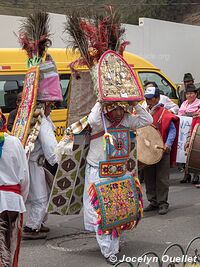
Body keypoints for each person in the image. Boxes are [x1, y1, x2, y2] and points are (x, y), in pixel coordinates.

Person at [83, 101, 153, 265]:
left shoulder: (127, 120)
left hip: (118, 173)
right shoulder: (100, 119)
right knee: (102, 213)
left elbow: (147, 120)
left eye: (122, 109)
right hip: (98, 172)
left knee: (117, 211)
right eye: (115, 109)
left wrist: (135, 104)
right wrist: (99, 101)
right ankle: (108, 250)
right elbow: (92, 121)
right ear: (107, 109)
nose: (119, 113)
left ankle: (112, 245)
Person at [23, 102, 58, 239]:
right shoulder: (41, 122)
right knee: (40, 197)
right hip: (34, 164)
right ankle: (31, 227)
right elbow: (50, 146)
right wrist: (57, 161)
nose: (52, 109)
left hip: (34, 164)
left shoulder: (36, 117)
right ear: (44, 107)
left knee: (44, 194)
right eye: (50, 106)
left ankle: (39, 222)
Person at [143, 86, 179, 215]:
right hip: (148, 150)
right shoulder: (144, 112)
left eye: (150, 98)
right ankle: (153, 202)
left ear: (157, 98)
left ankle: (163, 203)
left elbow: (172, 130)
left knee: (162, 178)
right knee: (149, 177)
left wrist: (168, 144)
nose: (148, 101)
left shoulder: (165, 113)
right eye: (146, 98)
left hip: (161, 150)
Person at [0, 111, 29, 267]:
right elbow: (25, 177)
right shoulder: (15, 142)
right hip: (13, 202)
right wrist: (21, 199)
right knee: (11, 247)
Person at [178, 84, 200, 183]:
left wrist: (188, 114)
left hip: (196, 129)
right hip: (184, 130)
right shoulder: (184, 104)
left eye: (191, 93)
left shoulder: (199, 103)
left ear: (196, 94)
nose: (189, 95)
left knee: (195, 152)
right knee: (184, 151)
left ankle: (196, 175)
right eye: (187, 94)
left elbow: (195, 114)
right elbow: (180, 114)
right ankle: (186, 174)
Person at [184, 108, 200, 187]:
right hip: (196, 142)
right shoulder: (195, 117)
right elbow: (191, 131)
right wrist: (188, 141)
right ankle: (193, 175)